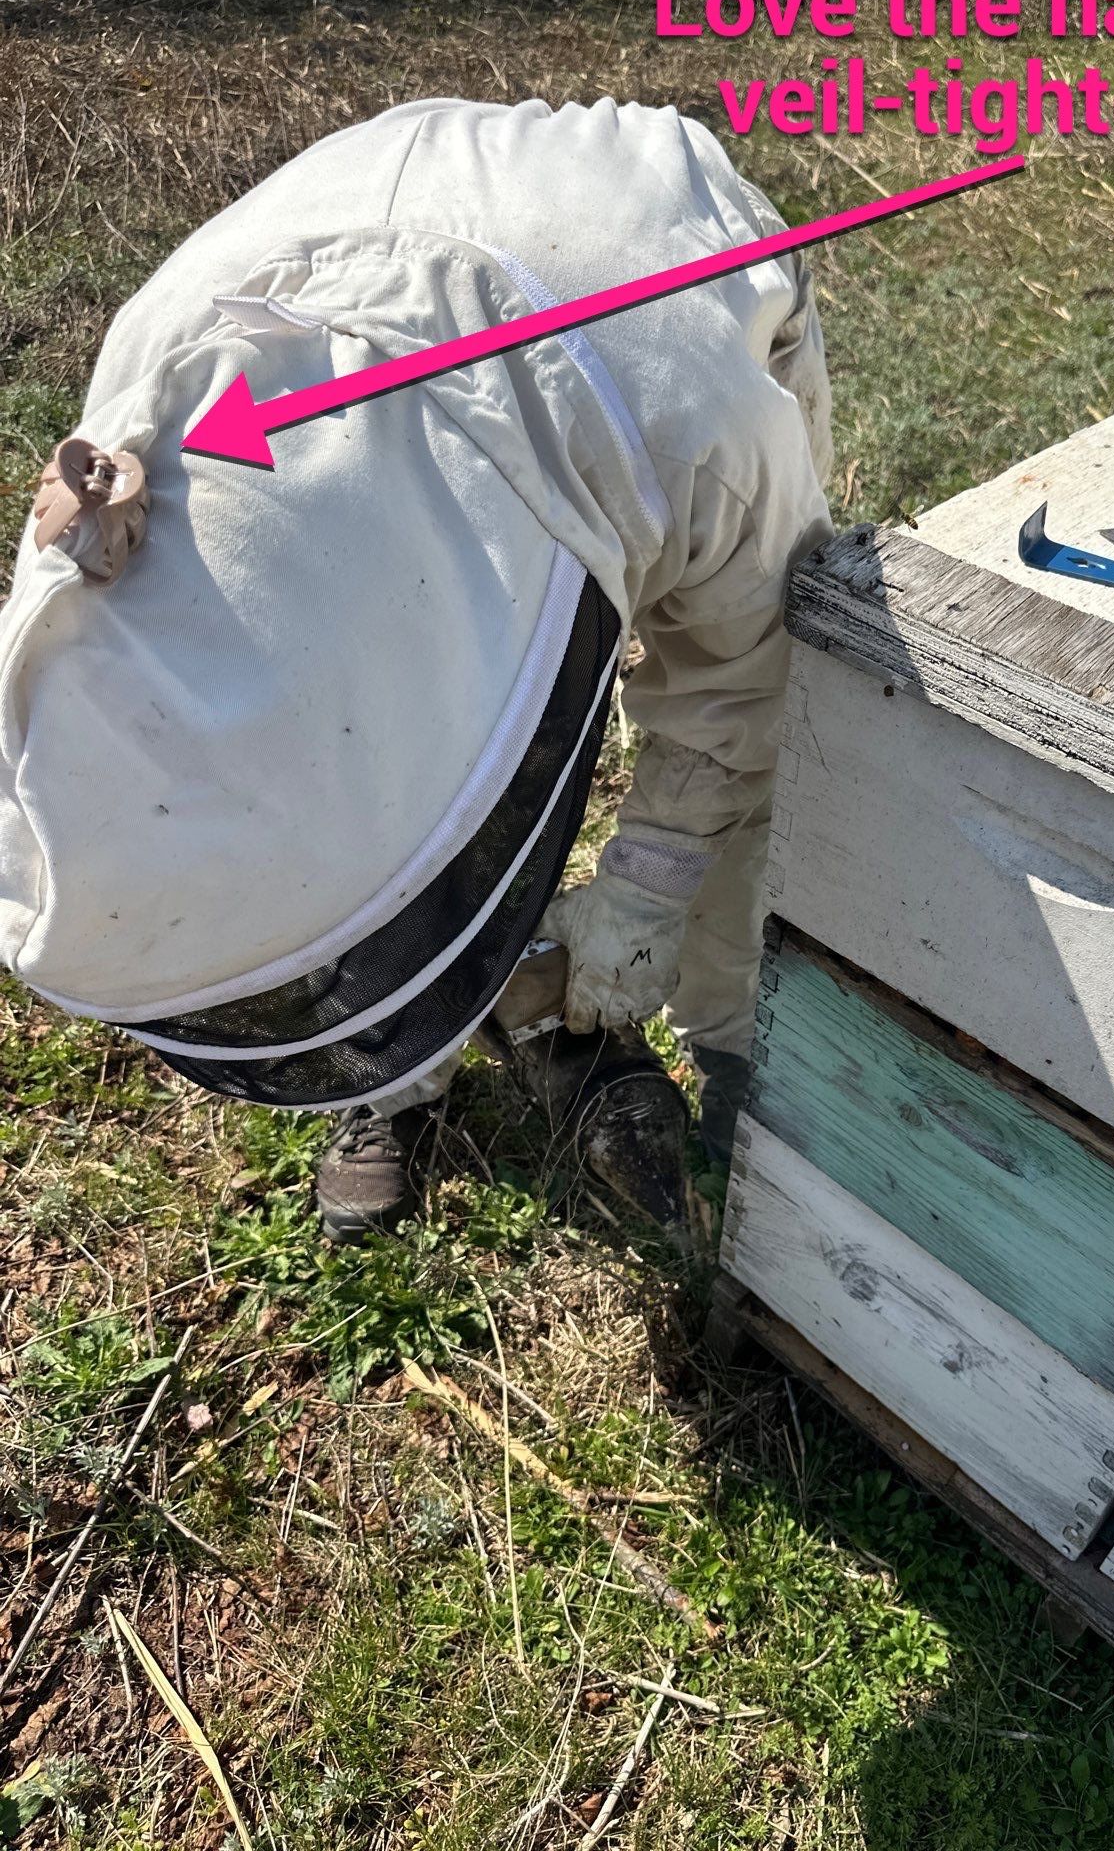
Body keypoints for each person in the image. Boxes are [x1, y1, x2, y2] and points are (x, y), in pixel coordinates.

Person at [0, 98, 834, 1236]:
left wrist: (653, 882)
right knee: (338, 841)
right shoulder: (153, 385)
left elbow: (742, 681)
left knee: (768, 732)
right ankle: (392, 1070)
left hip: (656, 250)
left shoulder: (698, 436)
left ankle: (740, 1047)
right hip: (352, 213)